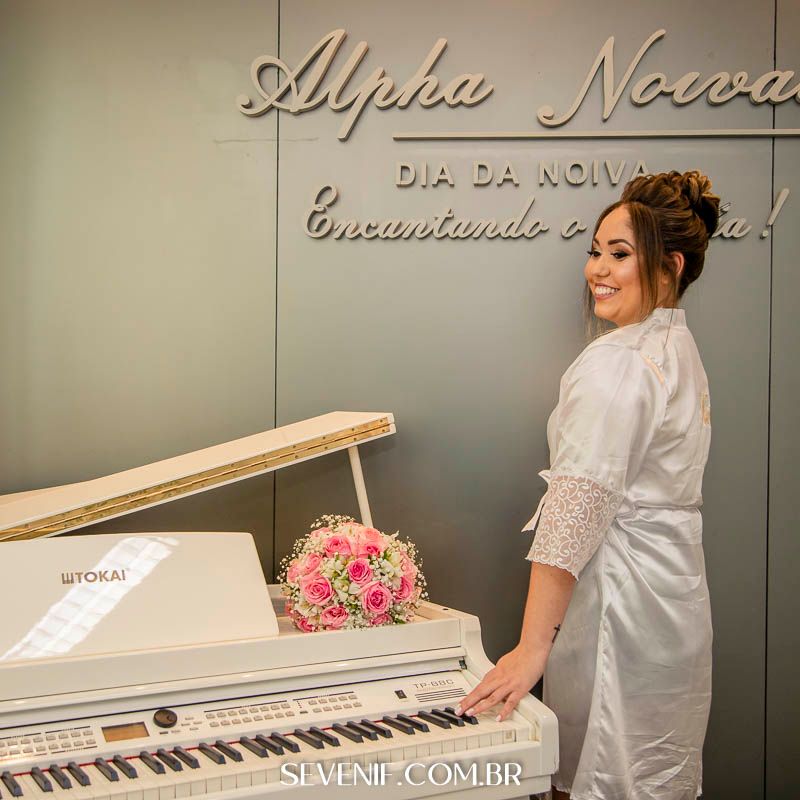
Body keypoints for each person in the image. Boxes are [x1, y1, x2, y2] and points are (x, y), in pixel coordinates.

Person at [455, 170, 719, 800]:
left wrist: (528, 649)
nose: (597, 269)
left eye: (620, 254)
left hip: (624, 611)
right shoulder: (676, 348)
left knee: (607, 776)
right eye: (596, 251)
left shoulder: (622, 362)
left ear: (670, 265)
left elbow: (576, 508)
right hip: (674, 606)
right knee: (655, 771)